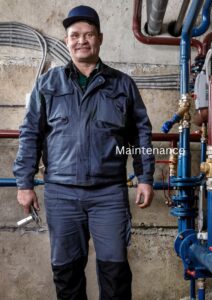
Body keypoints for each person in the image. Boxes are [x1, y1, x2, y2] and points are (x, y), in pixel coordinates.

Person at [13, 5, 154, 300]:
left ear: (99, 39)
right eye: (74, 35)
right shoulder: (47, 84)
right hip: (61, 193)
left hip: (109, 194)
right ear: (66, 41)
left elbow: (139, 133)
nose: (81, 40)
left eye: (88, 34)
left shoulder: (122, 84)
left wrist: (145, 176)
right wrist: (24, 183)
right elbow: (30, 135)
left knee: (115, 273)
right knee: (67, 272)